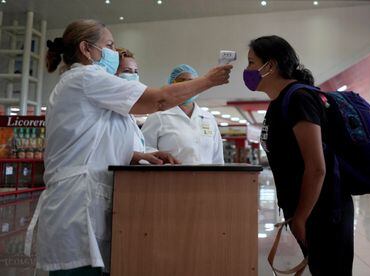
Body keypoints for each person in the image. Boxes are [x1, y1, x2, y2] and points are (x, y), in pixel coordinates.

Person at [24, 19, 232, 276]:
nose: (114, 52)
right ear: (86, 49)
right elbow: (159, 100)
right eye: (109, 45)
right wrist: (207, 81)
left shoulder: (85, 84)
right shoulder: (86, 78)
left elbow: (94, 142)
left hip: (88, 200)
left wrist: (138, 156)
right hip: (77, 205)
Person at [244, 35, 354, 275]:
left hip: (324, 211)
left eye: (251, 62)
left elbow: (317, 167)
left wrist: (301, 217)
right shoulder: (280, 102)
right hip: (309, 208)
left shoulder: (299, 99)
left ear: (270, 66)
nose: (247, 70)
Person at [141, 64, 224, 164]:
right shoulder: (158, 116)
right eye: (181, 81)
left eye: (191, 82)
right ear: (171, 85)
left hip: (206, 178)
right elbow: (143, 148)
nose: (186, 87)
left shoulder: (208, 118)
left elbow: (217, 157)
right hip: (171, 177)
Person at [115, 47, 175, 165]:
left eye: (135, 72)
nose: (133, 75)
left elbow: (132, 149)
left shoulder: (129, 115)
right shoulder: (109, 111)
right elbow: (107, 150)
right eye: (127, 71)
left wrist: (149, 155)